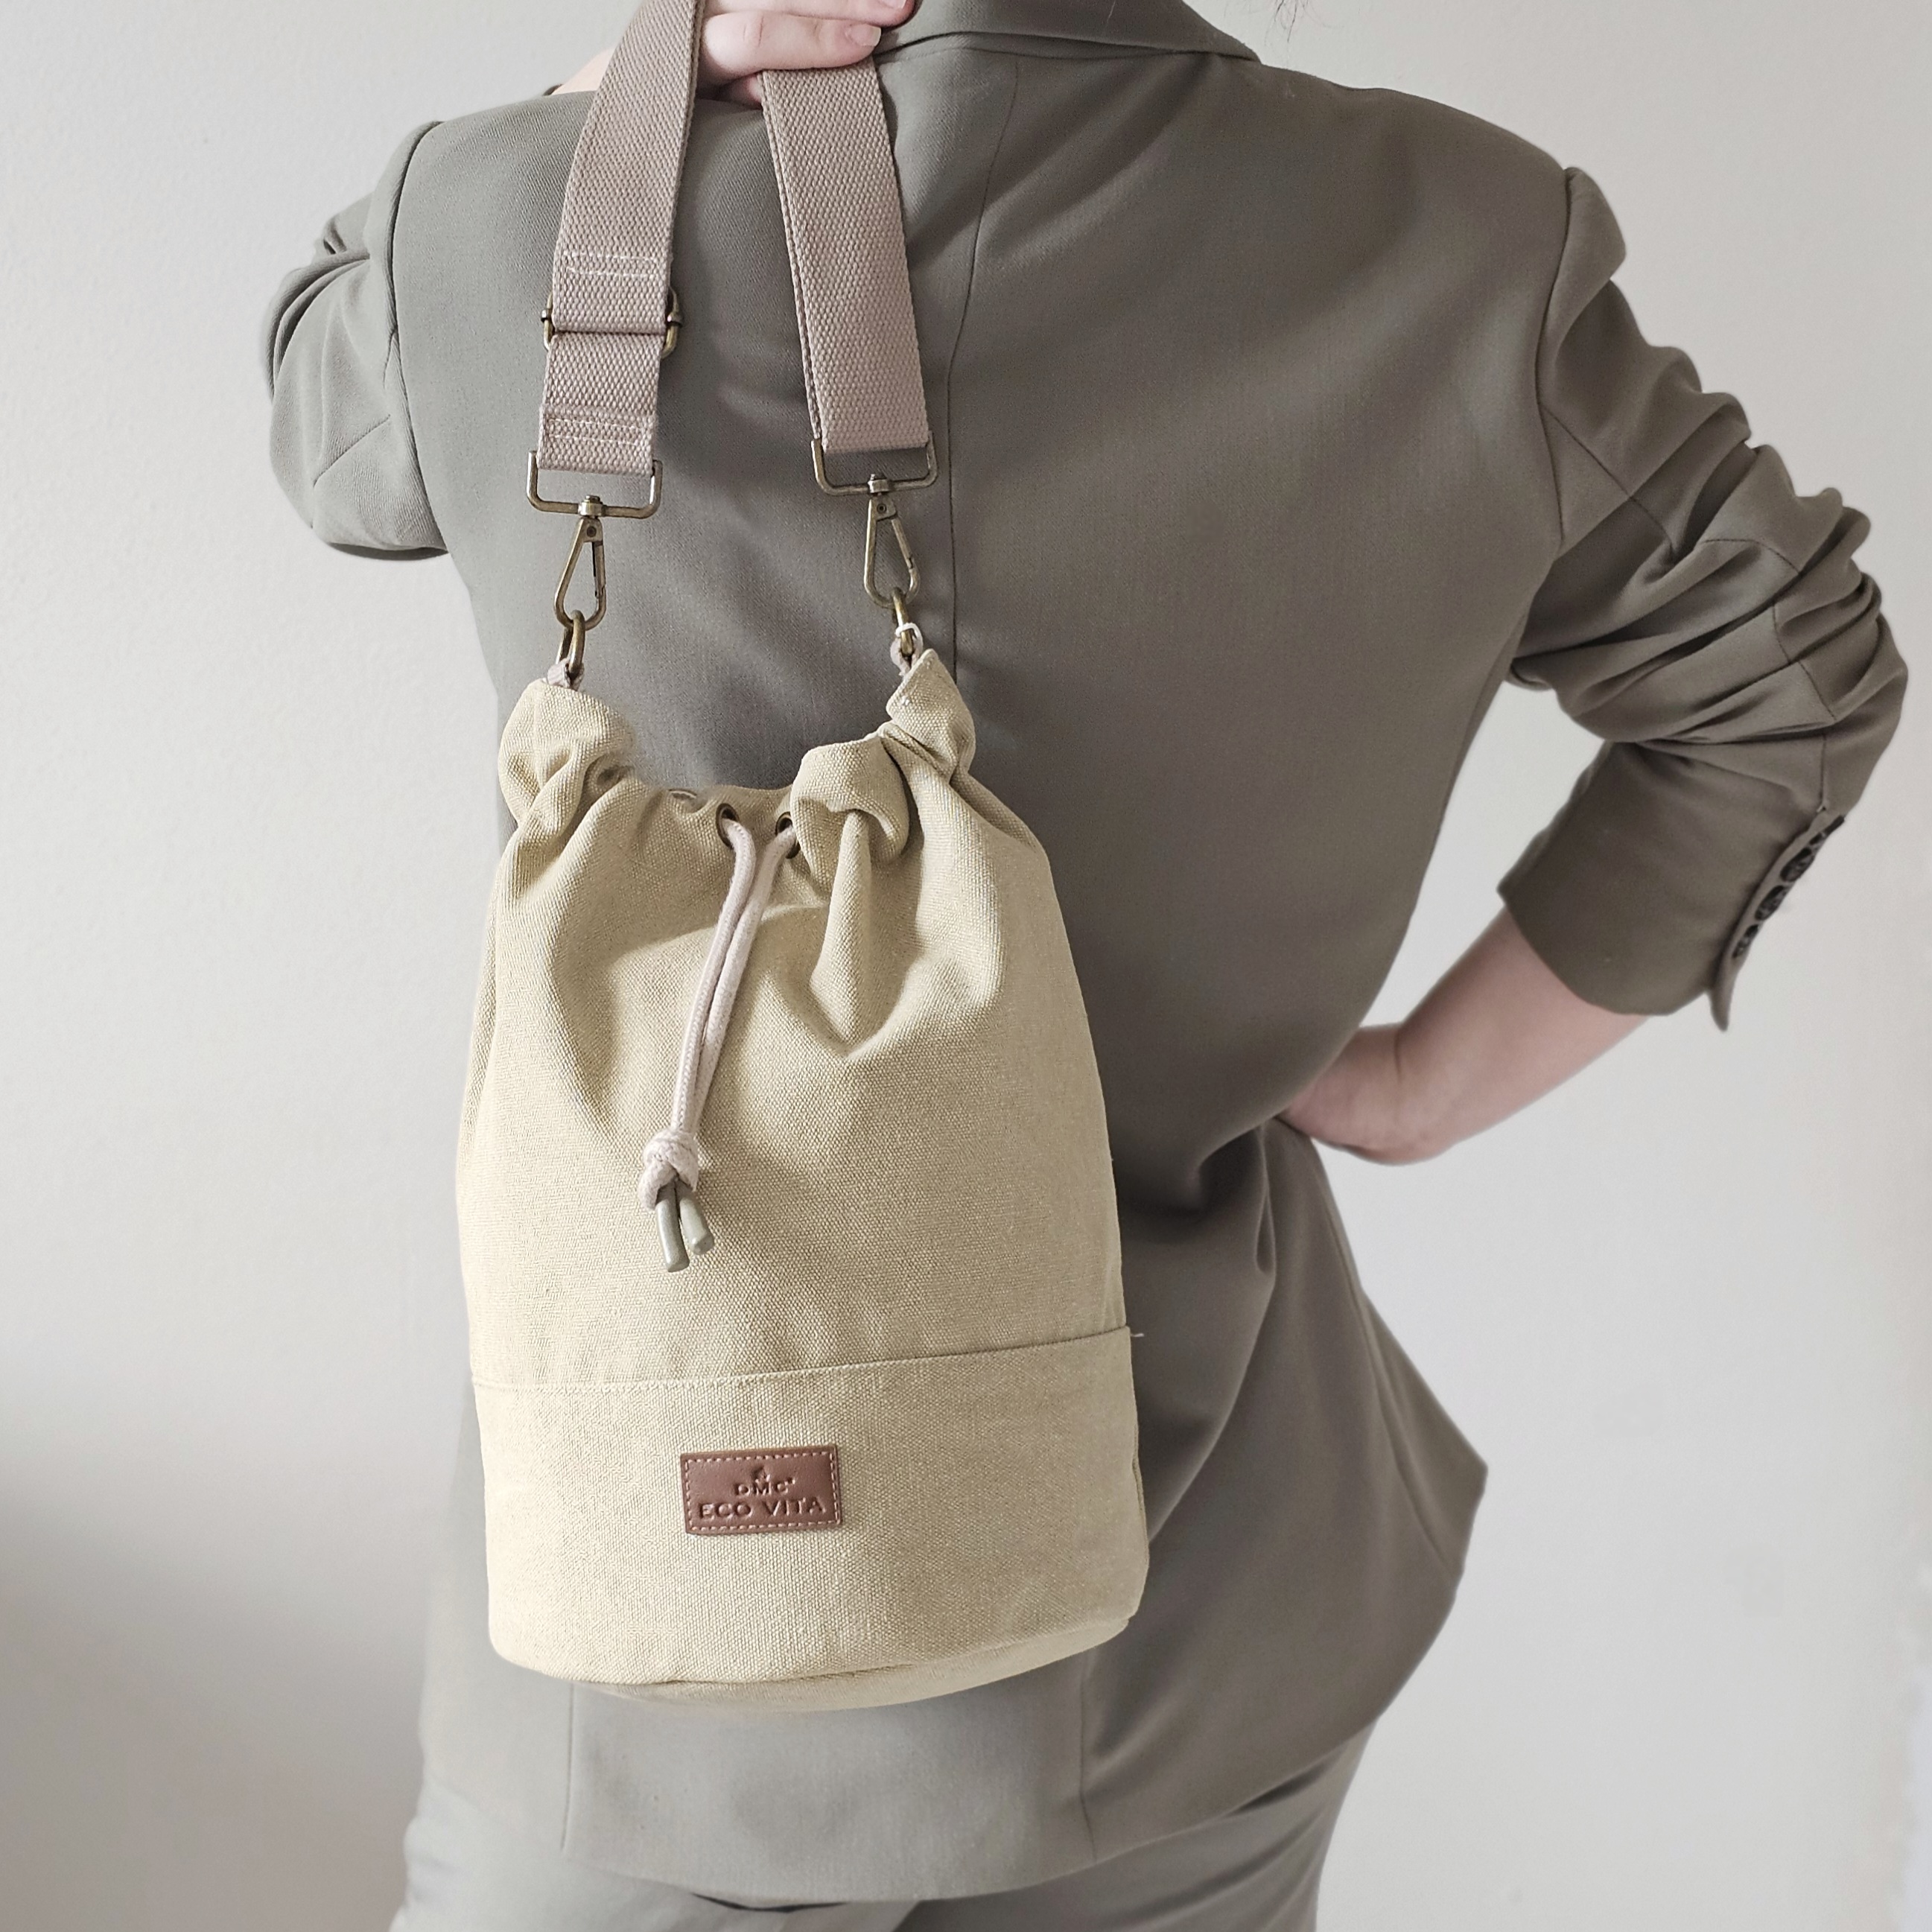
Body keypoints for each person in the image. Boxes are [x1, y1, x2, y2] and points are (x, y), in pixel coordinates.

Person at [262, 0, 1907, 1925]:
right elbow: (1794, 683)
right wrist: (1415, 1086)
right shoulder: (1460, 250)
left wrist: (633, 90)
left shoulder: (522, 220)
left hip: (651, 1643)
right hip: (1199, 1615)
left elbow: (320, 410)